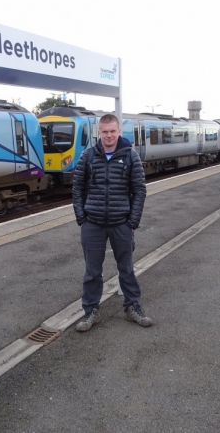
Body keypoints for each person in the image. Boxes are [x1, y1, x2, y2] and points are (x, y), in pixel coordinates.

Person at [72, 113, 153, 332]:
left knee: (126, 268)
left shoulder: (130, 156)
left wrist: (132, 222)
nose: (109, 135)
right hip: (93, 223)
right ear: (100, 133)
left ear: (119, 132)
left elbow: (139, 190)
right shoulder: (88, 156)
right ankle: (90, 311)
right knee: (92, 271)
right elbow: (77, 188)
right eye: (105, 132)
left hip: (121, 224)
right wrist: (82, 218)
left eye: (112, 131)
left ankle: (132, 306)